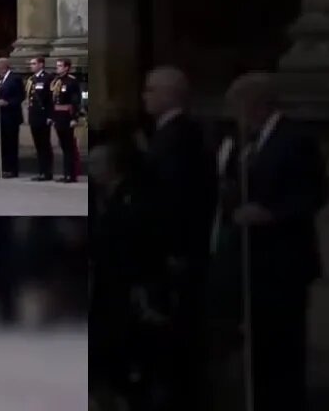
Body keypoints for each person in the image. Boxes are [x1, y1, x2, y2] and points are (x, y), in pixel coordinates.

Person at [222, 72, 324, 411]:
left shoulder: (294, 139)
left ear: (256, 104)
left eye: (238, 106)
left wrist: (273, 213)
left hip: (285, 259)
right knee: (260, 344)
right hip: (255, 259)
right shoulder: (246, 141)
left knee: (285, 343)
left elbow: (313, 193)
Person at [141, 66, 216, 410]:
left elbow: (178, 198)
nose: (145, 95)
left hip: (176, 250)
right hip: (170, 249)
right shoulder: (167, 133)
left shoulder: (180, 136)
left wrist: (173, 248)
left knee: (180, 331)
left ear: (171, 94)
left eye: (151, 89)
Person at [90, 111, 168, 409]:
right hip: (108, 285)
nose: (92, 171)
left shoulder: (131, 199)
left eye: (96, 165)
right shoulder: (107, 197)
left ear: (113, 168)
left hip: (126, 285)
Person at [49, 58, 84, 183]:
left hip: (67, 116)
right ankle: (66, 173)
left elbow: (76, 101)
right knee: (63, 146)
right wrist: (52, 117)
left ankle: (71, 174)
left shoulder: (71, 81)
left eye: (60, 66)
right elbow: (54, 100)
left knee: (69, 147)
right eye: (57, 65)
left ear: (66, 67)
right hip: (58, 116)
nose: (57, 68)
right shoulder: (56, 81)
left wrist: (74, 117)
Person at [0, 57, 24, 178]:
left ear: (2, 67)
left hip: (11, 116)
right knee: (3, 143)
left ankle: (12, 169)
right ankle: (4, 168)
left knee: (11, 143)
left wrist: (8, 102)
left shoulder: (15, 78)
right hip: (1, 116)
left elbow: (20, 96)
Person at [27, 57, 55, 181]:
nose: (31, 66)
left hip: (44, 116)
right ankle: (41, 171)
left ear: (41, 64)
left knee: (45, 145)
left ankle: (47, 172)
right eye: (31, 64)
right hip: (34, 116)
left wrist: (50, 116)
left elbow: (50, 99)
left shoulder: (48, 78)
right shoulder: (32, 79)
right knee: (38, 145)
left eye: (34, 64)